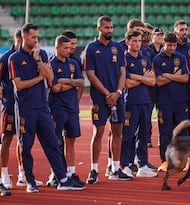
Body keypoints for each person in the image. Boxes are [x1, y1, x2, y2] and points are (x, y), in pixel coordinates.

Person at [9, 23, 85, 192]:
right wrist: (38, 78)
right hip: (24, 109)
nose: (36, 40)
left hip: (43, 108)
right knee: (26, 145)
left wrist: (38, 61)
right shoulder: (14, 58)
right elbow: (19, 85)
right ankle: (30, 181)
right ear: (24, 37)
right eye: (33, 37)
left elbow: (51, 78)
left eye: (37, 37)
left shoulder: (41, 54)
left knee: (52, 143)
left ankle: (63, 179)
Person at [83, 16, 132, 184]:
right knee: (99, 133)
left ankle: (115, 168)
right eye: (106, 28)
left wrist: (118, 92)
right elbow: (90, 74)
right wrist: (106, 94)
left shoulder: (118, 48)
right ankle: (94, 169)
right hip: (99, 98)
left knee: (118, 132)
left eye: (111, 27)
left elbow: (123, 71)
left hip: (117, 98)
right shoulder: (91, 48)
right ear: (99, 29)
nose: (110, 30)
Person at [0, 29, 43, 190]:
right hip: (10, 104)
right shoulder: (6, 59)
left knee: (23, 140)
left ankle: (22, 174)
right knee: (7, 138)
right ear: (19, 41)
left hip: (26, 104)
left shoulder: (32, 56)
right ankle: (4, 175)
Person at [46, 35, 85, 188]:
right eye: (65, 48)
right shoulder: (51, 63)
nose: (69, 50)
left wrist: (65, 81)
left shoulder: (73, 63)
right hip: (56, 107)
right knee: (55, 142)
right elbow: (54, 87)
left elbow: (81, 82)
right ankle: (55, 173)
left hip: (71, 107)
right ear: (57, 47)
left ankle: (70, 173)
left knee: (71, 140)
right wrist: (71, 82)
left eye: (70, 48)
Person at [120, 30, 157, 178]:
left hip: (145, 101)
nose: (137, 44)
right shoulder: (124, 59)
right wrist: (143, 78)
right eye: (134, 41)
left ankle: (142, 163)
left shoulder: (145, 59)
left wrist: (137, 78)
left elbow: (152, 81)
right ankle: (126, 164)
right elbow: (126, 83)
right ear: (127, 42)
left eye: (139, 41)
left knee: (144, 134)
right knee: (128, 134)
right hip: (130, 102)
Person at [152, 32, 189, 172]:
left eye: (174, 45)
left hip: (180, 100)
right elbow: (159, 81)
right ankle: (165, 161)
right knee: (165, 132)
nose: (172, 48)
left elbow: (185, 78)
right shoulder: (156, 59)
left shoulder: (181, 57)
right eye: (169, 45)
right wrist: (175, 76)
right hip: (164, 101)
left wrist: (167, 75)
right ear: (163, 44)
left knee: (182, 132)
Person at [174, 20, 190, 136]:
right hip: (177, 90)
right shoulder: (172, 48)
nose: (184, 32)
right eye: (181, 30)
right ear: (176, 33)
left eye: (186, 29)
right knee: (179, 121)